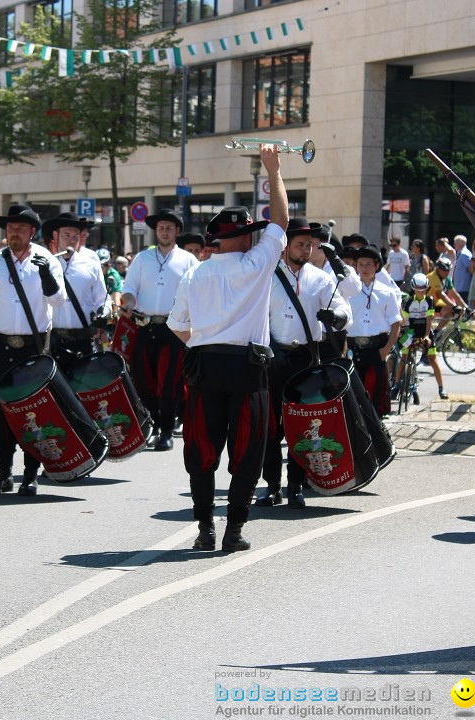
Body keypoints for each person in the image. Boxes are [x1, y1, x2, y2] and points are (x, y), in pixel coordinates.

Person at [167, 145, 288, 552]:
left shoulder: (195, 274)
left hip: (205, 364)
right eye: (250, 233)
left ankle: (205, 530)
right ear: (241, 238)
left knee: (201, 448)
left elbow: (177, 326)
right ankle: (233, 531)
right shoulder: (256, 265)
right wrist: (273, 170)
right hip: (246, 367)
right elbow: (283, 221)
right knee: (247, 448)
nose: (255, 237)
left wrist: (204, 342)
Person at [0, 205, 66, 496]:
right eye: (11, 229)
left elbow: (59, 301)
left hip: (33, 349)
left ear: (32, 232)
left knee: (33, 411)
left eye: (21, 229)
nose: (15, 234)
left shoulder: (47, 259)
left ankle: (31, 474)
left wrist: (47, 276)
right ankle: (3, 472)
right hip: (1, 346)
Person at [256, 217, 350, 508]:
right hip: (272, 356)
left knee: (305, 425)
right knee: (270, 425)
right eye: (300, 244)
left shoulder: (320, 278)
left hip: (306, 359)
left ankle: (296, 484)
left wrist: (335, 317)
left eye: (310, 245)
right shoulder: (267, 276)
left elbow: (343, 307)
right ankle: (272, 485)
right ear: (285, 245)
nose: (306, 249)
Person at [120, 208, 198, 451]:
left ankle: (165, 430)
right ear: (156, 231)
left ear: (176, 232)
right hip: (145, 326)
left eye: (170, 228)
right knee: (145, 380)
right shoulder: (142, 259)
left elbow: (197, 294)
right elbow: (129, 288)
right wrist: (129, 303)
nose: (165, 231)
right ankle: (152, 423)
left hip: (174, 329)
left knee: (169, 382)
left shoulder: (188, 260)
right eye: (161, 227)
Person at [44, 212, 108, 371]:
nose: (71, 239)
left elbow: (103, 299)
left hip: (83, 340)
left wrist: (103, 313)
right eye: (66, 234)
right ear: (55, 235)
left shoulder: (90, 264)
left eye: (76, 235)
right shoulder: (45, 265)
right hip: (52, 341)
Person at [346, 245, 403, 418]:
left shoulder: (387, 293)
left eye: (368, 264)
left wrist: (385, 350)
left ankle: (376, 434)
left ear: (377, 266)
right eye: (360, 264)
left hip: (376, 349)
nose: (364, 268)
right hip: (352, 348)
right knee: (353, 397)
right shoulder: (347, 291)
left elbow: (396, 323)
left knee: (374, 396)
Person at [394, 272, 448, 403]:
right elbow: (404, 320)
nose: (420, 292)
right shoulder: (408, 301)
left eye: (423, 289)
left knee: (433, 360)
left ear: (426, 288)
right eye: (417, 289)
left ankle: (441, 389)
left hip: (425, 330)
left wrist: (426, 336)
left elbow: (429, 319)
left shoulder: (429, 301)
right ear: (413, 288)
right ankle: (396, 385)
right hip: (411, 331)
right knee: (403, 358)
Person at [452, 235, 473, 303]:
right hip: (458, 285)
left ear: (460, 243)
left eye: (455, 243)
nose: (454, 245)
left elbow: (471, 269)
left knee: (462, 304)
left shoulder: (465, 254)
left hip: (463, 286)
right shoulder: (460, 253)